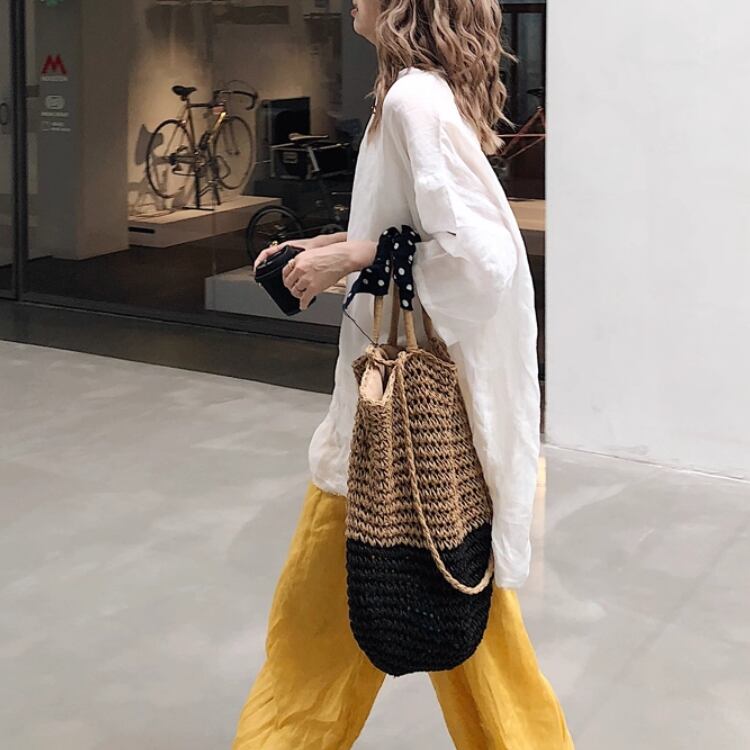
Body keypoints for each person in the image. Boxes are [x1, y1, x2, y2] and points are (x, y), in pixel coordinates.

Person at [232, 1, 574, 748]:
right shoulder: (418, 93)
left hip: (389, 442)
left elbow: (479, 260)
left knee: (309, 652)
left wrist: (352, 256)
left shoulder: (413, 98)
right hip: (413, 442)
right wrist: (324, 248)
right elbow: (410, 229)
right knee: (477, 651)